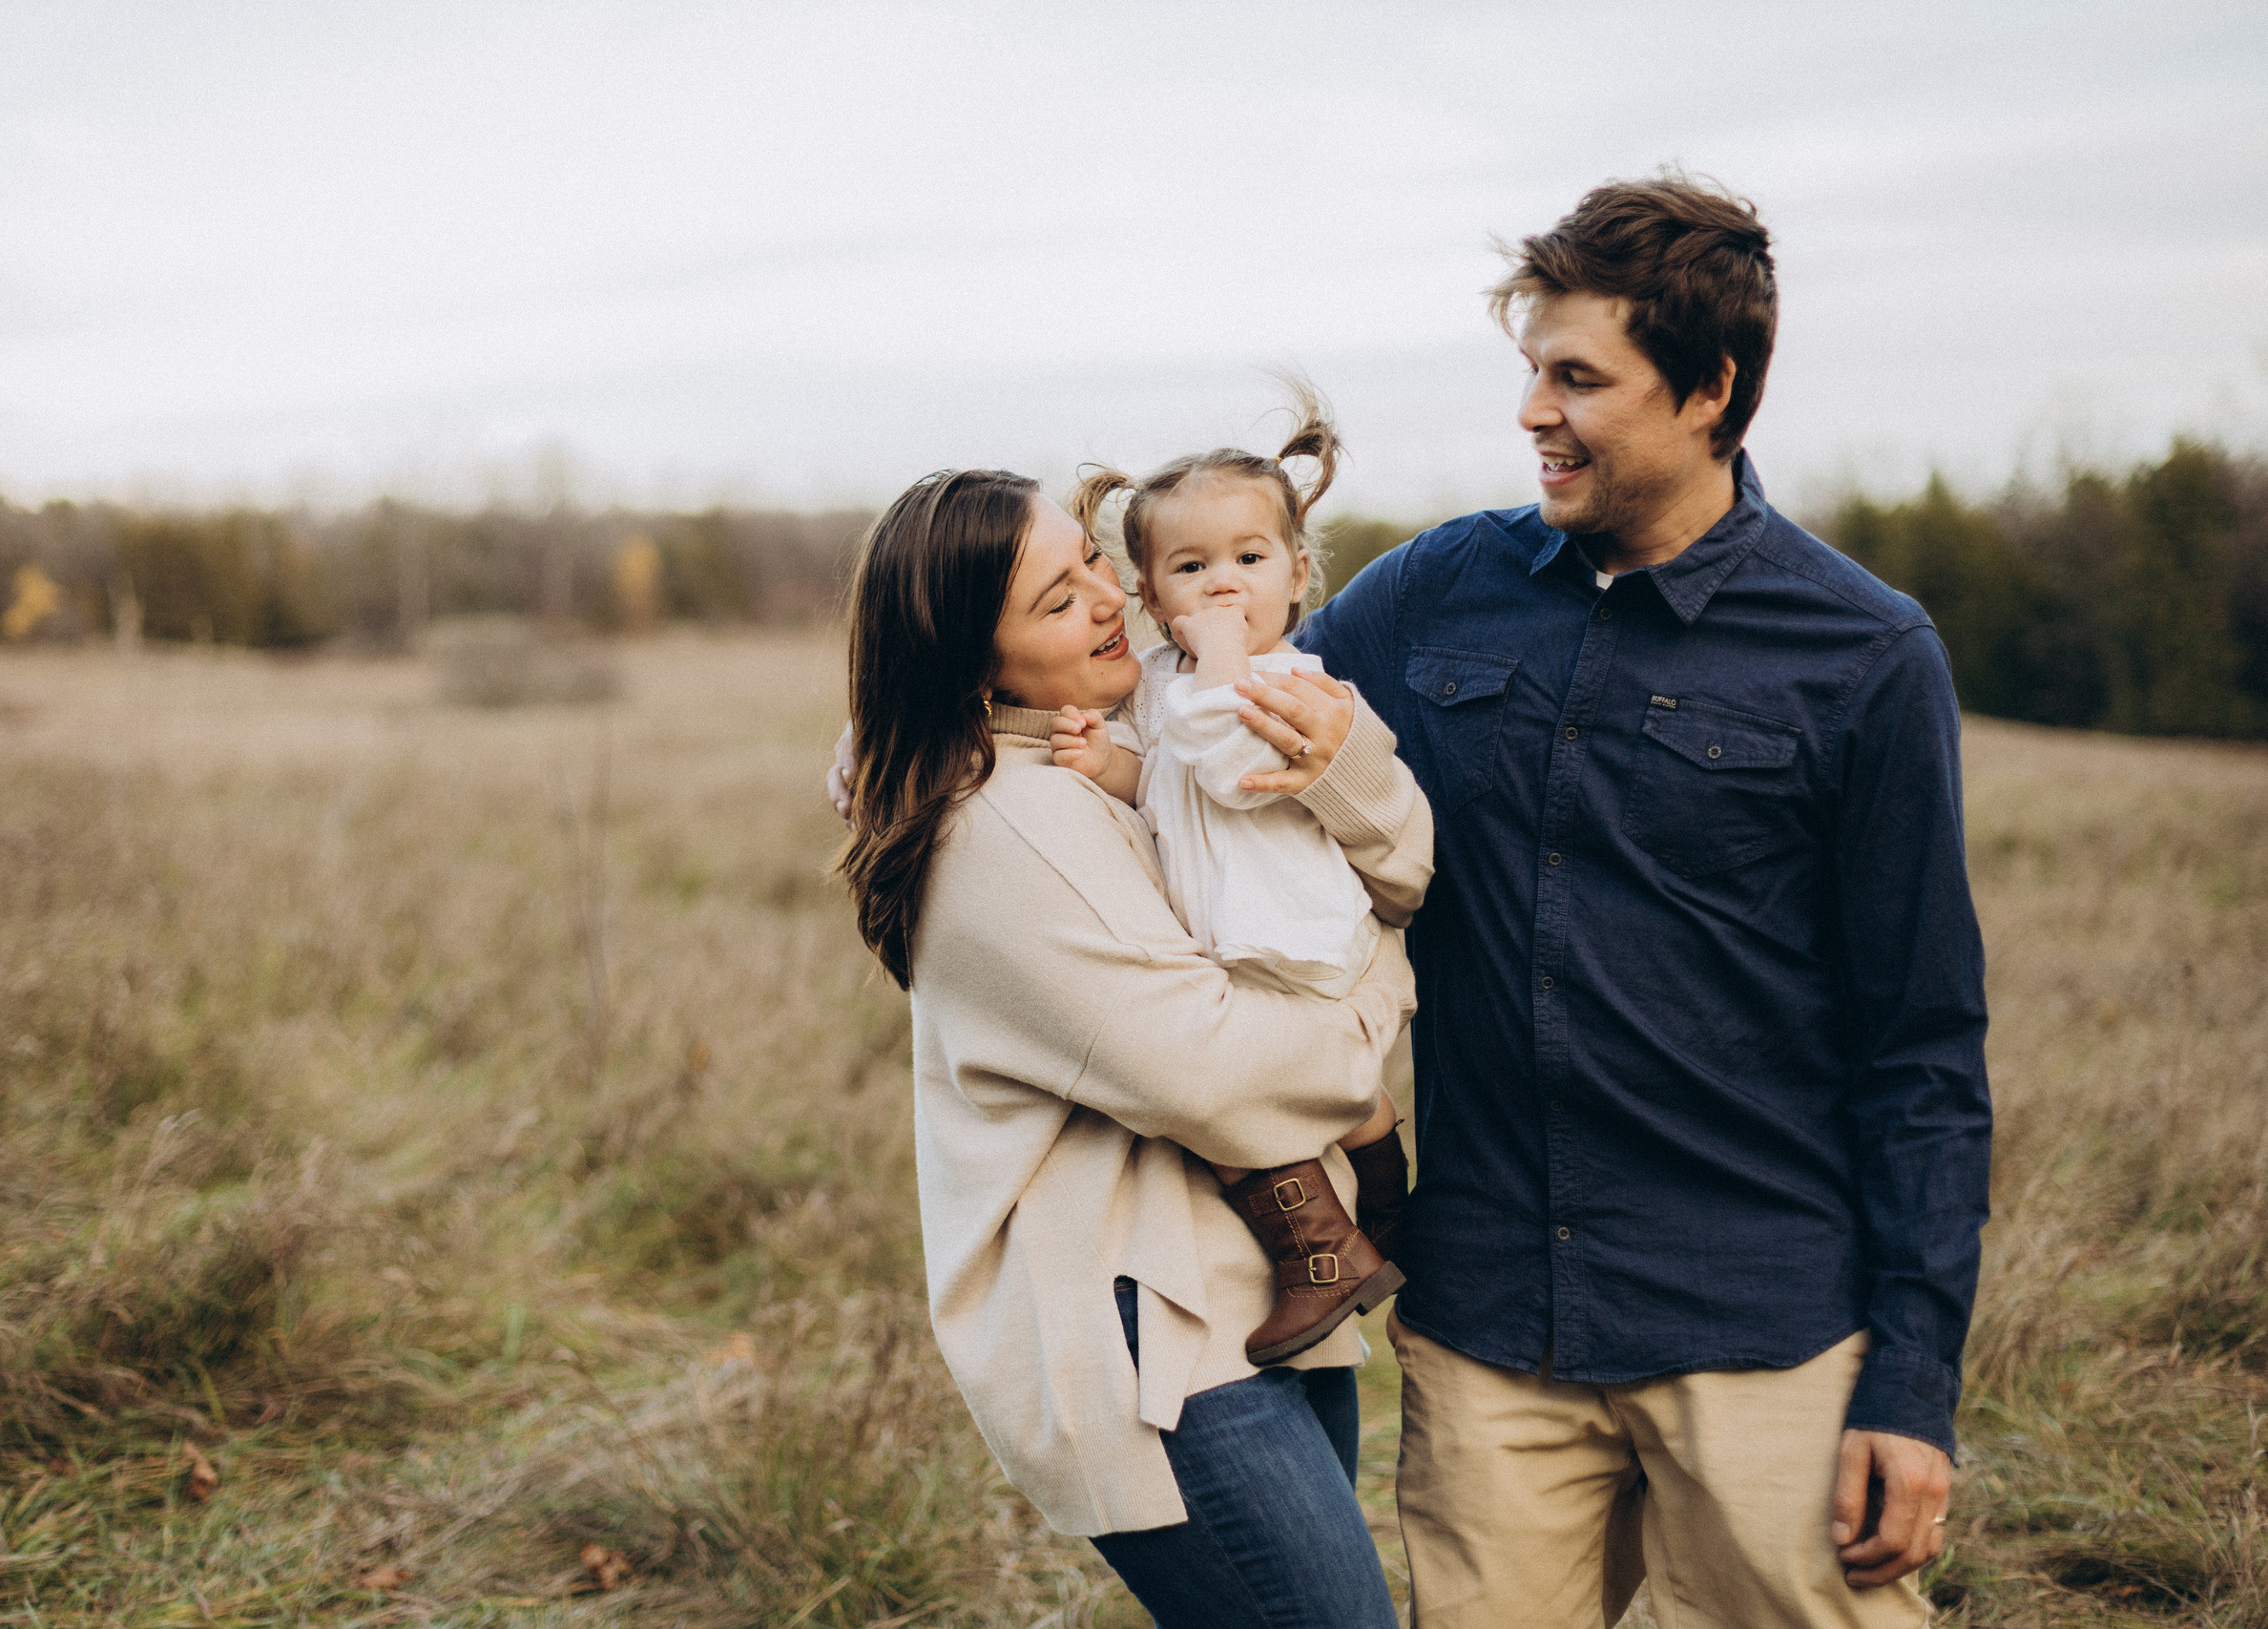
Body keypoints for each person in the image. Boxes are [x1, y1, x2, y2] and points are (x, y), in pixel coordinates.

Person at [1289, 172, 1993, 1626]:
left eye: (1577, 377)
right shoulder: (1437, 591)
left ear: (1709, 389)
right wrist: (959, 724)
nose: (1535, 411)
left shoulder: (1862, 652)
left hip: (1764, 1329)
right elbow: (1223, 701)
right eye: (1530, 371)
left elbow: (1923, 1047)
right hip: (1489, 1326)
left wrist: (1913, 1382)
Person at [832, 467, 1432, 1627]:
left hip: (1257, 1288)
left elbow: (1403, 867)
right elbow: (1214, 1074)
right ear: (971, 659)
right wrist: (1378, 984)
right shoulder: (1002, 827)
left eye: (1094, 564)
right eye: (1056, 603)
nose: (1112, 601)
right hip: (1152, 1339)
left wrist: (1343, 761)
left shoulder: (1147, 730)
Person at [1051, 385, 1420, 1365]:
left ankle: (1332, 1247)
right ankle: (1372, 1212)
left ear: (1297, 576)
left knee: (1236, 1096)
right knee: (1277, 1092)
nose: (1224, 588)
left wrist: (1216, 659)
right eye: (1191, 568)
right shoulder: (1174, 687)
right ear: (1148, 593)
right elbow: (1173, 784)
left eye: (1248, 561)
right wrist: (1110, 767)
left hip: (1290, 933)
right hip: (1231, 936)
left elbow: (1228, 772)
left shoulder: (1290, 684)